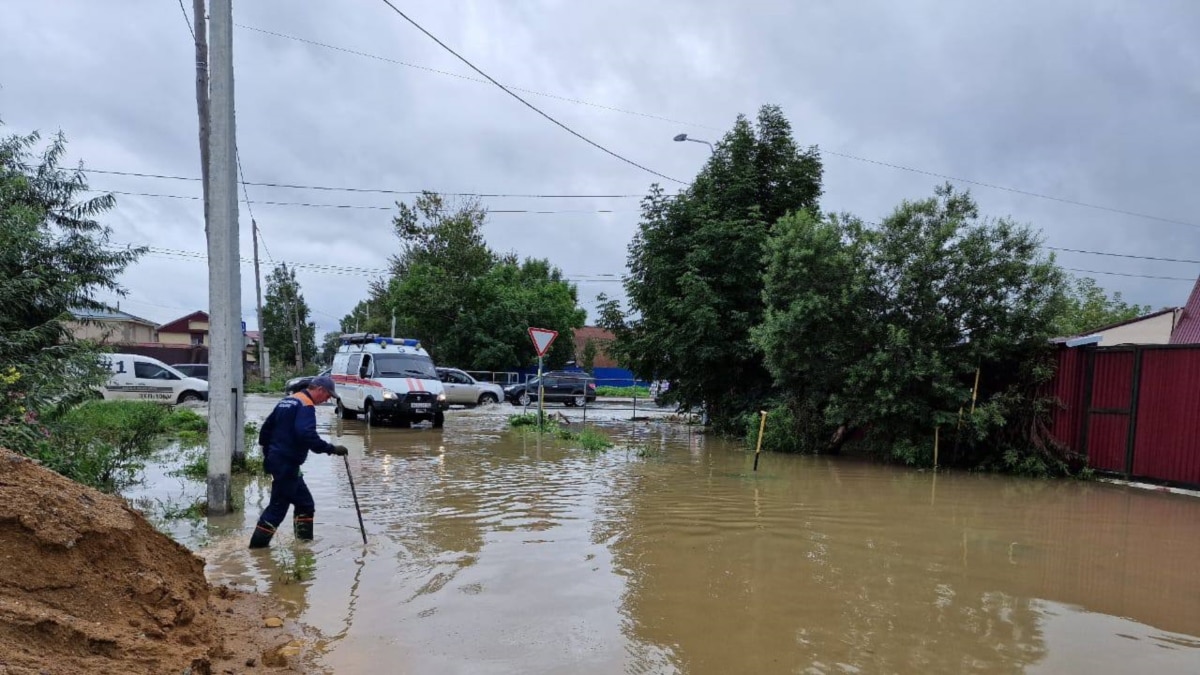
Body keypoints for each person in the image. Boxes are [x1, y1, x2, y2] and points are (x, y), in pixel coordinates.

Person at [249, 374, 349, 549]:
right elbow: (306, 434)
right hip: (286, 463)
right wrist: (330, 449)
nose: (327, 400)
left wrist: (269, 455)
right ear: (320, 390)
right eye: (327, 396)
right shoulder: (306, 405)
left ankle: (303, 546)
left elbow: (265, 430)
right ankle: (257, 549)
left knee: (304, 504)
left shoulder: (288, 401)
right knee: (278, 507)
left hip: (281, 461)